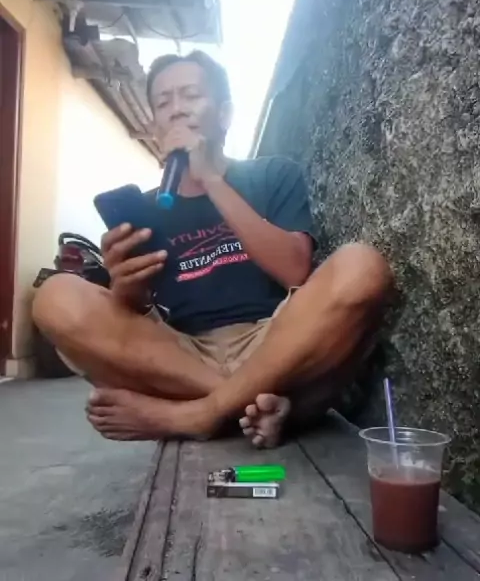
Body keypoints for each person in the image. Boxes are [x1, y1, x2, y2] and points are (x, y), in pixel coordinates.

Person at [32, 50, 393, 448]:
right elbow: (136, 323)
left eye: (190, 95)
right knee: (55, 296)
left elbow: (294, 270)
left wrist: (211, 180)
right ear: (153, 126)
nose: (176, 110)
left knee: (363, 267)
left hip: (275, 343)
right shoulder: (147, 209)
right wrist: (124, 286)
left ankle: (199, 414)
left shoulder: (271, 174)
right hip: (182, 356)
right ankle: (252, 405)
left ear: (224, 114)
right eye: (163, 102)